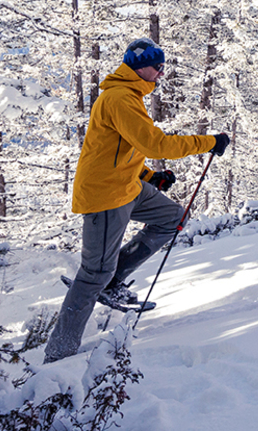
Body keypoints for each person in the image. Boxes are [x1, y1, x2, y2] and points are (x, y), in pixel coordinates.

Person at [43, 37, 230, 363]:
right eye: (156, 66)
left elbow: (114, 149)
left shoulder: (128, 96)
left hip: (126, 184)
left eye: (162, 67)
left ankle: (113, 280)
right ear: (138, 65)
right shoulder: (120, 99)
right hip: (105, 195)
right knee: (91, 276)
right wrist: (209, 142)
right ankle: (58, 355)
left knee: (172, 218)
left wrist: (149, 177)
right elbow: (155, 144)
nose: (160, 73)